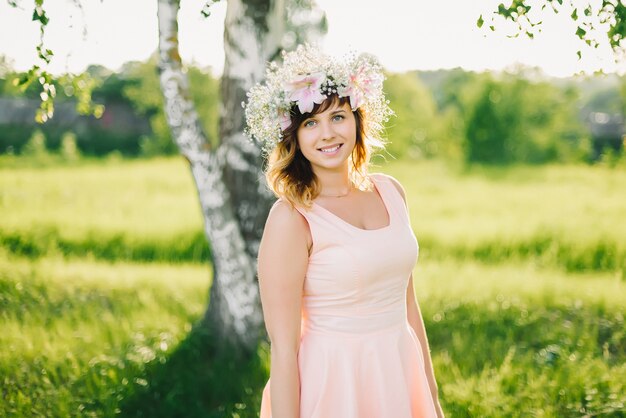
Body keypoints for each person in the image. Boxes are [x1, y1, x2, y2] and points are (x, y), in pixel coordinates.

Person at [244, 44, 444, 418]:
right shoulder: (292, 218)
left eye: (337, 117)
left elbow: (407, 305)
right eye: (310, 123)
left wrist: (431, 398)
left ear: (357, 120)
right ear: (295, 138)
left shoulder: (391, 191)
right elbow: (284, 349)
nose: (327, 134)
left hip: (399, 368)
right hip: (335, 382)